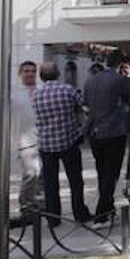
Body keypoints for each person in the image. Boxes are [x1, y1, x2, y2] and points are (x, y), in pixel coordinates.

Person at [83, 58, 130, 222]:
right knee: (112, 173)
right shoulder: (119, 79)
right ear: (121, 65)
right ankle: (102, 213)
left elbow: (87, 103)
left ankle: (108, 208)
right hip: (114, 132)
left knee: (102, 172)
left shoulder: (90, 81)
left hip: (95, 132)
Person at [33, 61, 92, 224]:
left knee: (50, 183)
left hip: (46, 143)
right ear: (58, 74)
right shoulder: (67, 89)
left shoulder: (37, 93)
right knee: (75, 180)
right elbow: (84, 107)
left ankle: (53, 217)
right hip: (68, 140)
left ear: (41, 76)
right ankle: (80, 213)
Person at [10, 60, 43, 224]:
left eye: (32, 71)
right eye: (26, 71)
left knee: (42, 176)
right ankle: (27, 207)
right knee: (31, 173)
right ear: (20, 74)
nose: (29, 74)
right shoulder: (14, 94)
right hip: (25, 141)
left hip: (45, 139)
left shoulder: (42, 90)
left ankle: (40, 206)